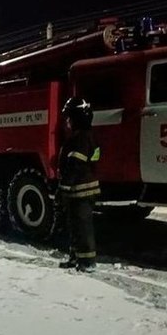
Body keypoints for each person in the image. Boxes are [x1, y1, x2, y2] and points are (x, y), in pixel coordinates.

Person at [57, 97, 100, 272]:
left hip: (81, 190)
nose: (67, 121)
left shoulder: (81, 139)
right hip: (78, 190)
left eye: (69, 117)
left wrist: (63, 188)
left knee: (83, 227)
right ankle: (76, 257)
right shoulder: (82, 136)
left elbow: (75, 166)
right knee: (75, 226)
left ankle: (88, 262)